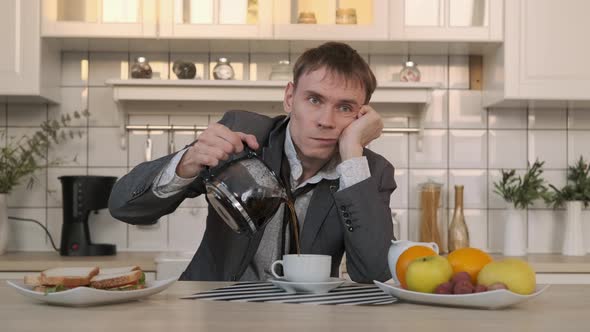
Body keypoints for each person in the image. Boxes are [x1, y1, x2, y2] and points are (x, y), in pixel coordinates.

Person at [108, 42, 397, 283]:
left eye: (345, 108)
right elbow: (124, 207)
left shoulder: (369, 171)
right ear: (289, 98)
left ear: (361, 115)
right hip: (214, 312)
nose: (325, 121)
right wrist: (188, 161)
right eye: (314, 100)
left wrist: (351, 153)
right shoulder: (241, 136)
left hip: (308, 320)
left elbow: (375, 274)